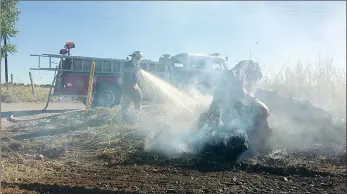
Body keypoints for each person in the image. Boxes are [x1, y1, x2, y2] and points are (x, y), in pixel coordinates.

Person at [120, 51, 144, 121]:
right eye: (137, 58)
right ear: (133, 57)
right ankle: (124, 119)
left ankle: (137, 118)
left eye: (139, 59)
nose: (138, 60)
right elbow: (124, 70)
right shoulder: (128, 64)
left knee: (138, 100)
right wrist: (132, 70)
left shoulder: (137, 66)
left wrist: (140, 86)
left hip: (135, 87)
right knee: (125, 103)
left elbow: (138, 78)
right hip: (127, 87)